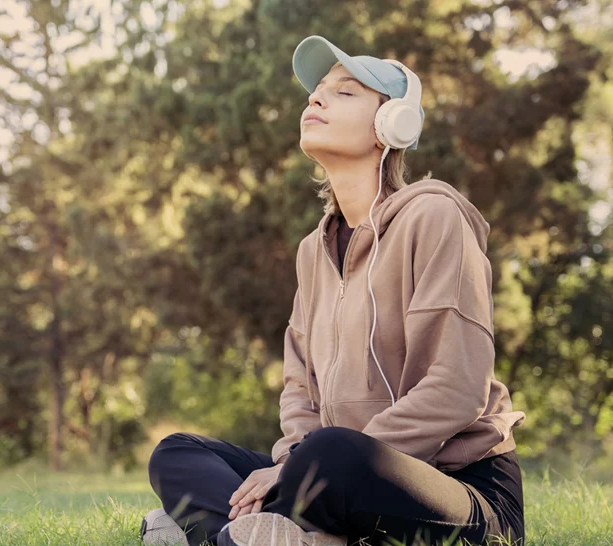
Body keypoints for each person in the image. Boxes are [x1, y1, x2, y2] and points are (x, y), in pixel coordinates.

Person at [141, 35, 527, 546]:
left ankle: (218, 531)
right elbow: (299, 388)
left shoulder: (434, 217)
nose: (315, 99)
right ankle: (272, 535)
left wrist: (298, 467)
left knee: (333, 456)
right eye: (316, 91)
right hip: (329, 477)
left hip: (455, 488)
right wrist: (289, 462)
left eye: (344, 93)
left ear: (391, 125)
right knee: (177, 453)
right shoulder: (312, 251)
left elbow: (457, 389)